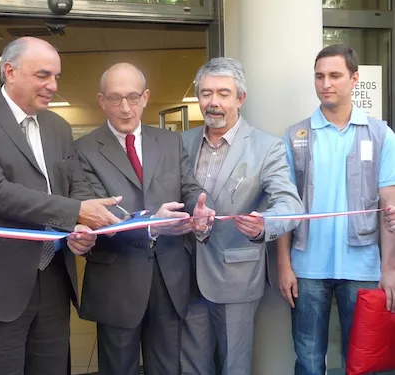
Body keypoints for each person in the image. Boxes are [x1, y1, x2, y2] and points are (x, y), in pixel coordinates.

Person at [0, 37, 121, 375]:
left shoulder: (58, 126)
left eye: (56, 77)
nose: (52, 85)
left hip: (54, 276)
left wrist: (81, 228)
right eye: (43, 75)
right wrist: (74, 213)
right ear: (10, 71)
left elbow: (75, 187)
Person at [75, 62, 216, 375]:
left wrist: (200, 211)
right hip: (117, 281)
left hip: (169, 278)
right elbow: (100, 214)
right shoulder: (83, 150)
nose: (126, 108)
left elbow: (189, 188)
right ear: (101, 100)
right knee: (118, 368)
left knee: (167, 367)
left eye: (133, 97)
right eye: (115, 99)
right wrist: (153, 224)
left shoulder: (169, 141)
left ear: (146, 97)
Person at [180, 57, 303, 375]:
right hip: (182, 272)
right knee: (192, 366)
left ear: (240, 98)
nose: (213, 102)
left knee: (235, 366)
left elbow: (290, 205)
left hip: (235, 275)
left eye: (223, 93)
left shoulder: (267, 147)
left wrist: (265, 225)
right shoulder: (182, 142)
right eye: (206, 93)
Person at [277, 44, 395, 375]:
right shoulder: (296, 136)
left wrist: (389, 270)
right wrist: (284, 265)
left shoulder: (381, 134)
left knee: (362, 362)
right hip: (306, 268)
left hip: (363, 269)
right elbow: (284, 207)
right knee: (309, 361)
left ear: (355, 78)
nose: (325, 83)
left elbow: (389, 207)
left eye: (335, 75)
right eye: (319, 76)